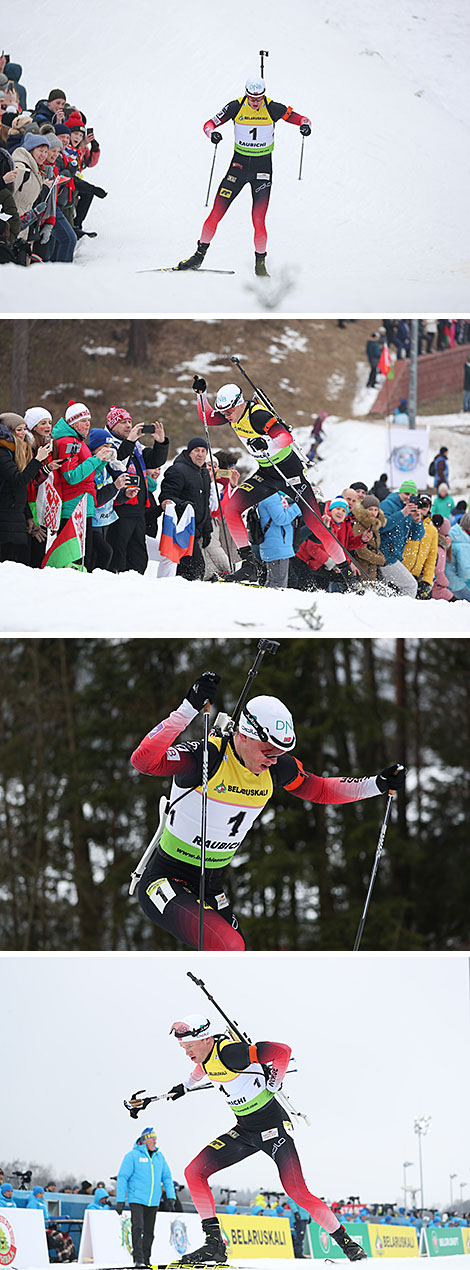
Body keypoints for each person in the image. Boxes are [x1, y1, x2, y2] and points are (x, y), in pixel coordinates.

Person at [131, 671, 405, 951]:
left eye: (280, 753)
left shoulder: (276, 768)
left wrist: (377, 785)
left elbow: (320, 789)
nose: (273, 760)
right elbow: (143, 762)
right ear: (246, 736)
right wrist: (188, 708)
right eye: (268, 751)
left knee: (238, 955)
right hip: (166, 879)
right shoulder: (207, 757)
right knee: (229, 947)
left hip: (211, 886)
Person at [156, 1015, 367, 1265]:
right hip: (244, 1131)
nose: (187, 1052)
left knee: (296, 1191)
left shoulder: (232, 1053)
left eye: (190, 1046)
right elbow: (204, 1067)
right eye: (183, 1047)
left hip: (272, 1130)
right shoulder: (207, 1055)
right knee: (194, 1172)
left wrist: (275, 1081)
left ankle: (349, 1245)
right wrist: (186, 1085)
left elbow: (282, 1051)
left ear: (206, 1039)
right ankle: (214, 1245)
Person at [192, 378, 345, 583]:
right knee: (231, 509)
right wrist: (201, 395)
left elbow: (285, 437)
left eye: (229, 411)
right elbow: (208, 418)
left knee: (316, 524)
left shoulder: (257, 415)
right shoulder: (231, 414)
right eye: (224, 412)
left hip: (291, 474)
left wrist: (265, 442)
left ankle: (347, 574)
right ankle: (249, 565)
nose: (227, 416)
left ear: (239, 403)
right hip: (268, 473)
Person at [177, 75, 311, 276]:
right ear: (246, 94)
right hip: (238, 168)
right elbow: (208, 124)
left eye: (258, 99)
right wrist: (211, 134)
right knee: (216, 213)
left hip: (263, 170)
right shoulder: (235, 106)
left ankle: (260, 265)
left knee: (258, 219)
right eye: (251, 98)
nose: (255, 102)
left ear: (264, 95)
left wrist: (305, 126)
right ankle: (198, 256)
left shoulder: (273, 108)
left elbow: (302, 118)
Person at [103, 407, 169, 575]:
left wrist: (161, 443)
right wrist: (130, 440)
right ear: (112, 425)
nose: (128, 425)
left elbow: (155, 460)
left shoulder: (137, 447)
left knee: (139, 556)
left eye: (130, 422)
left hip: (138, 510)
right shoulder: (107, 444)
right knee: (119, 555)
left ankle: (137, 587)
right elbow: (118, 463)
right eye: (123, 422)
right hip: (118, 509)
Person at [116, 1126, 176, 1268]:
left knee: (149, 1232)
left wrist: (171, 1197)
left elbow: (167, 1177)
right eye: (152, 1139)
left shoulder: (159, 1157)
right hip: (136, 1199)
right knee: (138, 1228)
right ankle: (138, 1259)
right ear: (144, 1141)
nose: (155, 1142)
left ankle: (146, 1258)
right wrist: (120, 1199)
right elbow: (123, 1177)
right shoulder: (132, 1156)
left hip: (153, 1200)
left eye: (156, 1139)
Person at [0, 412, 52, 563]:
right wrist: (37, 460)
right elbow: (19, 480)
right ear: (8, 431)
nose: (23, 433)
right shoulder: (3, 452)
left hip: (15, 516)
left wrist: (27, 516)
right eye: (19, 430)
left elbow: (20, 489)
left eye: (24, 429)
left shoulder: (16, 451)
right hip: (5, 516)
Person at [159, 437, 212, 581]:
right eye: (196, 451)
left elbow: (205, 502)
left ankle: (183, 596)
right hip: (181, 528)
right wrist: (184, 505)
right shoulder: (178, 470)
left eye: (203, 451)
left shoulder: (204, 472)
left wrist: (207, 529)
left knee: (190, 568)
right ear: (189, 452)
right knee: (196, 566)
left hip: (197, 529)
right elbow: (166, 496)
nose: (200, 454)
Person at [378, 481, 424, 597]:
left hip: (395, 555)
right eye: (406, 494)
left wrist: (417, 521)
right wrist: (402, 513)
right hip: (385, 555)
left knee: (385, 592)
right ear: (400, 493)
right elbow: (381, 527)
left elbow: (416, 537)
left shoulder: (409, 509)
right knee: (410, 585)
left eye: (412, 496)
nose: (408, 497)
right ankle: (407, 611)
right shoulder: (388, 504)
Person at [257, 490, 302, 588]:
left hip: (277, 545)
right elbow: (281, 518)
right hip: (277, 546)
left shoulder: (274, 495)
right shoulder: (271, 496)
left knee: (273, 583)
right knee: (278, 585)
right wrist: (298, 506)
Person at [402, 494, 438, 599]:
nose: (424, 506)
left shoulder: (432, 530)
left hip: (415, 576)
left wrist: (427, 580)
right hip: (402, 570)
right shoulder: (408, 521)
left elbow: (431, 558)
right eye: (421, 503)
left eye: (426, 504)